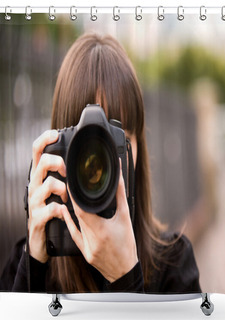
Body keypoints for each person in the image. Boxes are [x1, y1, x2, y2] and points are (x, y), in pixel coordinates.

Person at [0, 33, 201, 294]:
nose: (102, 167)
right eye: (86, 148)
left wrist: (126, 276)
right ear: (56, 150)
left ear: (138, 145)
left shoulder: (175, 264)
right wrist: (33, 266)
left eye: (118, 140)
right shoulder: (27, 265)